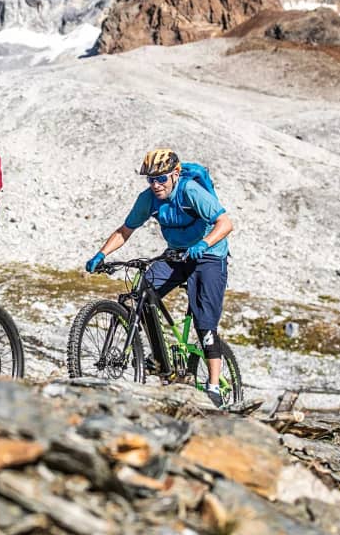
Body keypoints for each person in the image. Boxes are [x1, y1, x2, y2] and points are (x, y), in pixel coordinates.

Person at [85, 149, 235, 407]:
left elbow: (225, 223)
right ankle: (157, 358)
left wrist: (203, 243)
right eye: (150, 180)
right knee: (139, 292)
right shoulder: (148, 199)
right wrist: (101, 254)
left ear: (175, 174)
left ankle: (213, 387)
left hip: (209, 255)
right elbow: (125, 230)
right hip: (177, 254)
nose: (155, 185)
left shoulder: (190, 192)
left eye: (161, 179)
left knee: (205, 321)